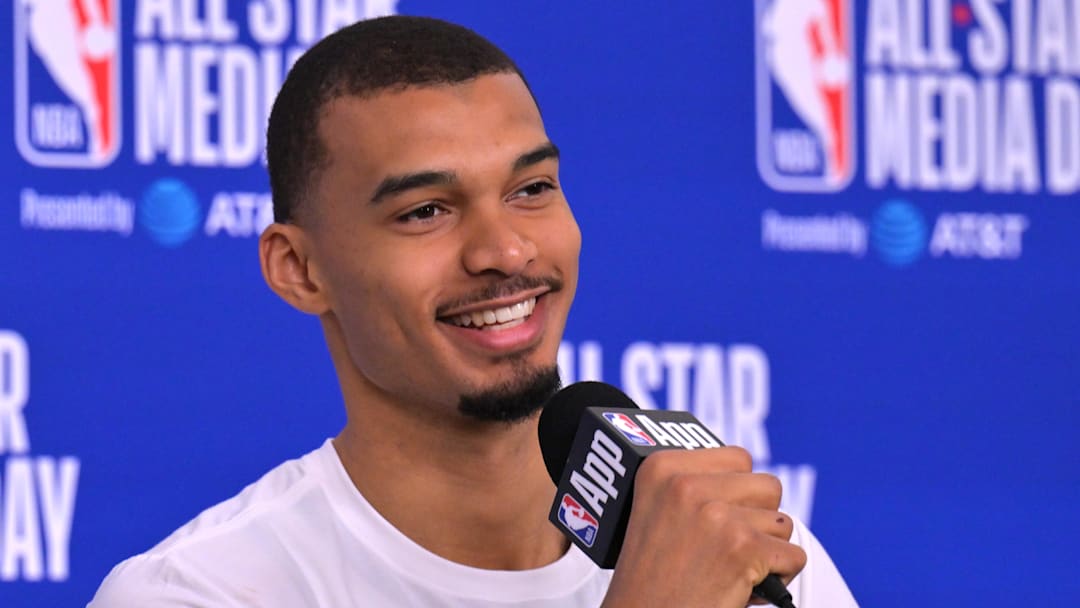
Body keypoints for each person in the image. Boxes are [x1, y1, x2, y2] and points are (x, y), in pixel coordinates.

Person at [89, 15, 857, 607]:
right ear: (299, 269)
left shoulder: (742, 550)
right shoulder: (200, 592)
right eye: (426, 211)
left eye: (532, 190)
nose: (506, 251)